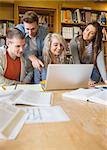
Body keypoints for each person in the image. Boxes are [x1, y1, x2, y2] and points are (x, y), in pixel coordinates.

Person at [69, 21, 107, 86]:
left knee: (94, 82)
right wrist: (86, 79)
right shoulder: (74, 42)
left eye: (91, 33)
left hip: (91, 69)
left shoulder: (98, 44)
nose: (87, 34)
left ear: (95, 36)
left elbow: (100, 63)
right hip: (78, 68)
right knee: (80, 83)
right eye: (87, 30)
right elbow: (77, 62)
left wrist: (106, 80)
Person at [16, 11, 48, 80]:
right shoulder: (19, 29)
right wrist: (33, 58)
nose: (30, 33)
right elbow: (19, 48)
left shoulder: (44, 31)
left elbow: (46, 48)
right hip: (25, 59)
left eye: (33, 29)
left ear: (38, 25)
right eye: (27, 29)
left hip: (40, 58)